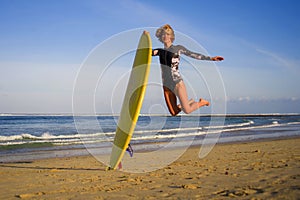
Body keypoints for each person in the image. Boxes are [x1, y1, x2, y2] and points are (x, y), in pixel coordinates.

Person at [152, 24, 224, 116]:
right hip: (166, 85)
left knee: (187, 110)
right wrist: (144, 38)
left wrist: (211, 58)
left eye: (167, 34)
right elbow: (148, 52)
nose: (165, 36)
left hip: (177, 83)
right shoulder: (159, 51)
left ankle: (202, 102)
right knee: (173, 112)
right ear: (160, 37)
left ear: (171, 36)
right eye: (163, 34)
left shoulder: (178, 48)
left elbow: (193, 54)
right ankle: (188, 102)